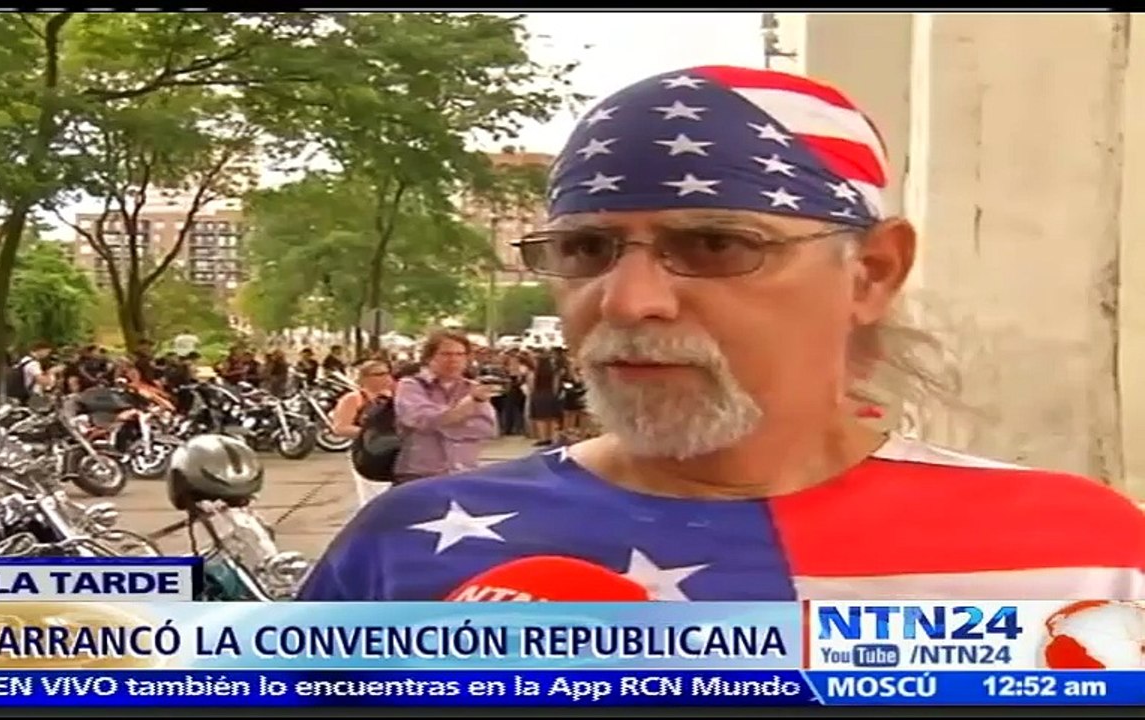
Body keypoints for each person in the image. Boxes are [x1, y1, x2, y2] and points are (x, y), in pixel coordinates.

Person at [297, 65, 1145, 602]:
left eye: (714, 244)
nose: (628, 301)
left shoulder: (1084, 553)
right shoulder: (409, 545)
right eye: (585, 248)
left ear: (873, 273)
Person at [389, 329, 499, 483]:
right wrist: (467, 407)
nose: (453, 360)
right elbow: (422, 419)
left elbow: (485, 428)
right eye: (446, 354)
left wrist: (443, 423)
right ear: (429, 357)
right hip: (421, 475)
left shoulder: (472, 388)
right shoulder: (411, 385)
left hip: (464, 473)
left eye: (459, 354)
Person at [329, 360, 396, 507]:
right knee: (374, 496)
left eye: (388, 373)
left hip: (395, 452)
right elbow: (340, 427)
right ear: (365, 378)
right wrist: (372, 434)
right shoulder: (353, 399)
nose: (386, 377)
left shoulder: (396, 396)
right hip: (369, 453)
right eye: (379, 374)